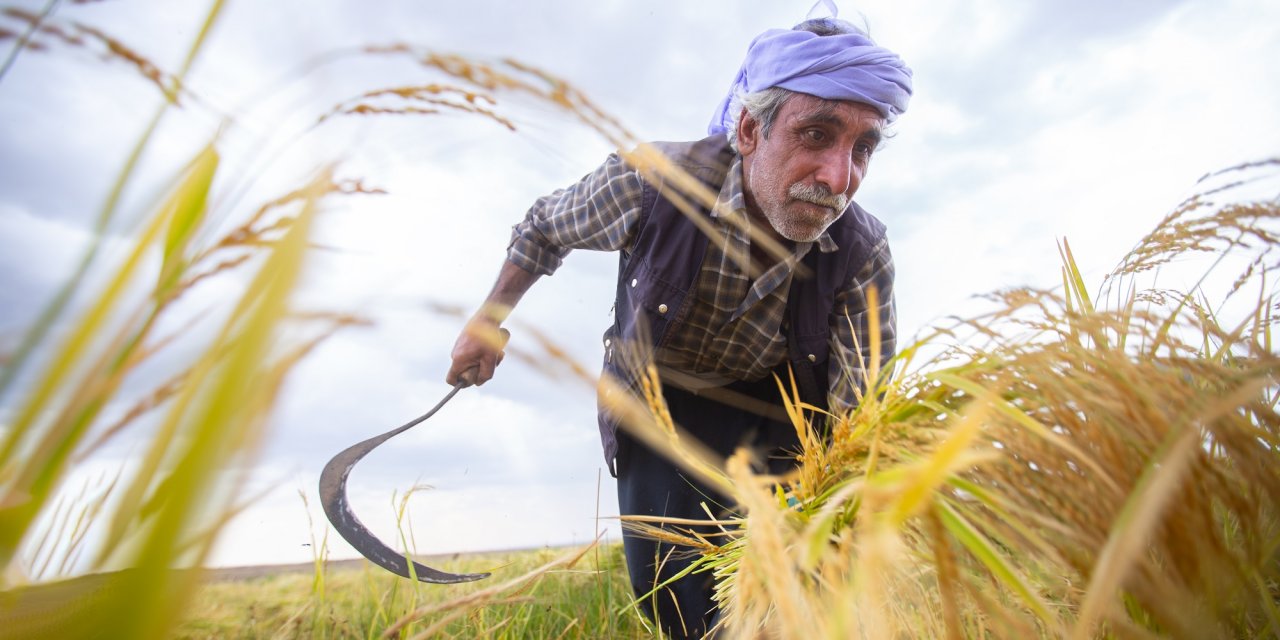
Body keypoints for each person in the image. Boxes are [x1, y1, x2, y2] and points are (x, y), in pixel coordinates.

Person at [447, 14, 911, 639]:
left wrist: (842, 507)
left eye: (862, 148)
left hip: (779, 412)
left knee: (793, 595)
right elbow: (544, 229)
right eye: (816, 134)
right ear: (750, 130)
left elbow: (859, 408)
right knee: (674, 595)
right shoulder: (652, 183)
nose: (839, 178)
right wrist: (487, 323)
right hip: (661, 404)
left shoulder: (860, 251)